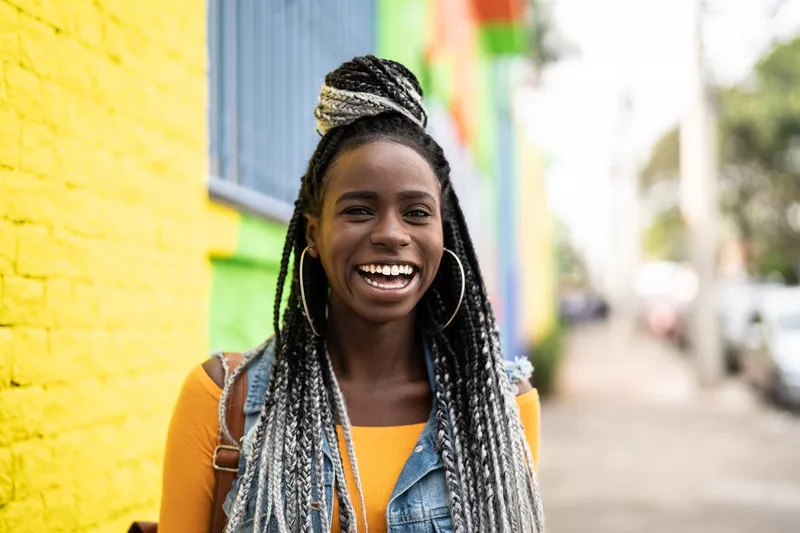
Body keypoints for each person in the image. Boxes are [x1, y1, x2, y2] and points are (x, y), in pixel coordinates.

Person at [158, 55, 546, 533]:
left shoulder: (502, 407)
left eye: (417, 213)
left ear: (445, 233)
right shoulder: (221, 403)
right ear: (313, 235)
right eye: (359, 210)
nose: (391, 234)